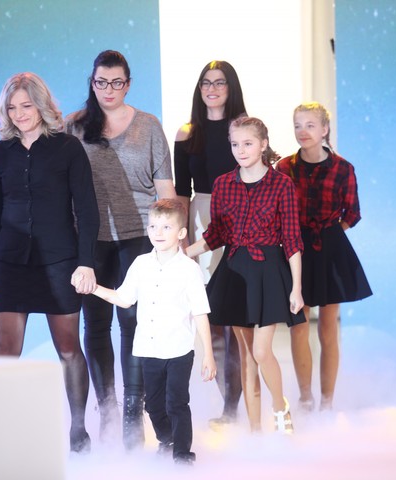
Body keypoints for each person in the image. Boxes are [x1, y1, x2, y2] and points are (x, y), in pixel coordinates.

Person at [0, 72, 99, 453]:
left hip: (60, 262)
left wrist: (86, 263)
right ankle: (3, 432)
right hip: (10, 262)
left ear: (41, 105)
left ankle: (78, 430)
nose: (19, 114)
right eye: (12, 108)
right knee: (5, 348)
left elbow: (87, 210)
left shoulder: (68, 148)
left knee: (68, 348)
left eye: (26, 105)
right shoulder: (0, 153)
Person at [65, 50, 177, 450]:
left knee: (133, 322)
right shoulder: (74, 127)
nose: (108, 90)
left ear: (128, 84)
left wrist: (171, 242)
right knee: (95, 324)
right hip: (89, 239)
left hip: (138, 236)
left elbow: (165, 190)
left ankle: (133, 410)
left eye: (116, 82)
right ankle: (107, 408)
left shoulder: (148, 125)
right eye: (101, 82)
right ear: (92, 83)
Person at [186, 116, 305, 434]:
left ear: (263, 144)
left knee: (261, 351)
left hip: (269, 271)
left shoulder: (281, 184)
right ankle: (254, 431)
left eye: (248, 143)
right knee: (247, 355)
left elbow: (292, 239)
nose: (240, 150)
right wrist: (183, 254)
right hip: (235, 270)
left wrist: (296, 288)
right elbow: (216, 234)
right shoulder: (223, 184)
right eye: (235, 144)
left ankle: (280, 408)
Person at [75, 198, 216, 464]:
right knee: (153, 405)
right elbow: (124, 298)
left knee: (177, 403)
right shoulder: (141, 264)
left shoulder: (189, 270)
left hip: (178, 350)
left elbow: (200, 313)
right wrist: (92, 287)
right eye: (153, 226)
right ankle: (167, 438)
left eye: (166, 227)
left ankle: (183, 454)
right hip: (149, 350)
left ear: (181, 233)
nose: (158, 232)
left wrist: (208, 355)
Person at [276, 102, 372, 412]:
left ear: (325, 129)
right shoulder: (284, 168)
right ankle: (305, 398)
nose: (302, 131)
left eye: (310, 125)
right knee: (298, 324)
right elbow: (277, 211)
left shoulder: (343, 168)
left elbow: (353, 213)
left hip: (330, 249)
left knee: (328, 327)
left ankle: (327, 402)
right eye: (298, 126)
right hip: (295, 250)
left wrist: (330, 233)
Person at [173, 60, 245, 427]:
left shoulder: (243, 128)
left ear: (231, 88)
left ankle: (242, 402)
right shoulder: (187, 133)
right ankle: (227, 406)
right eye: (205, 83)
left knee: (238, 321)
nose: (211, 89)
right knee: (211, 317)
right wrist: (182, 240)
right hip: (201, 221)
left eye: (219, 82)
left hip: (240, 220)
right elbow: (180, 193)